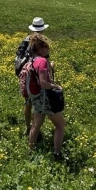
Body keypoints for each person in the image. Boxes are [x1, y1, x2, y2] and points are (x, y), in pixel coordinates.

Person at [27, 33, 65, 161]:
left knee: (36, 125)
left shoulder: (33, 59)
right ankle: (57, 154)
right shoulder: (42, 61)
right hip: (46, 98)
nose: (48, 50)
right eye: (47, 47)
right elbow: (43, 83)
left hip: (37, 98)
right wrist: (56, 87)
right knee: (60, 125)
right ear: (42, 48)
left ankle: (30, 151)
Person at [15, 17, 49, 136]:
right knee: (37, 103)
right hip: (36, 75)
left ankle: (28, 127)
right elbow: (46, 61)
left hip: (25, 74)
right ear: (43, 29)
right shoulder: (41, 42)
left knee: (27, 102)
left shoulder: (26, 39)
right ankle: (35, 131)